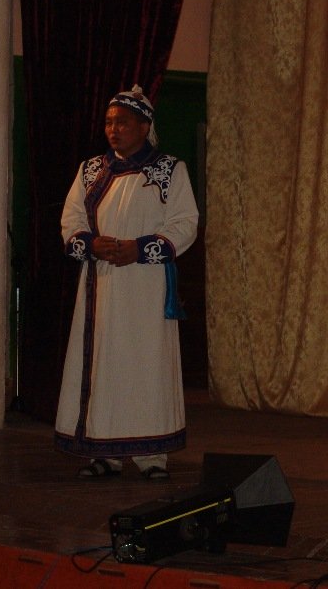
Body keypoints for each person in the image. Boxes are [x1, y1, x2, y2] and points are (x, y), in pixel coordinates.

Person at [54, 85, 199, 480]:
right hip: (101, 286)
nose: (113, 129)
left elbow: (185, 222)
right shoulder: (91, 171)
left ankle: (152, 455)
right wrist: (91, 244)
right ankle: (104, 452)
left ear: (144, 126)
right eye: (108, 122)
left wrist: (141, 248)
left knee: (146, 365)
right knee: (103, 366)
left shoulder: (169, 170)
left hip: (146, 287)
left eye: (122, 122)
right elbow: (71, 219)